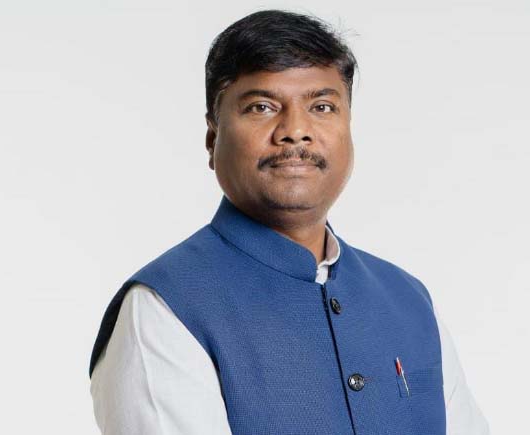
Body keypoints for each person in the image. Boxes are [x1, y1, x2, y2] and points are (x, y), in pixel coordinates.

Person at [89, 9, 489, 435]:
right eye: (262, 107)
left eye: (322, 106)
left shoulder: (408, 300)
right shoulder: (165, 307)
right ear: (212, 138)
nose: (295, 131)